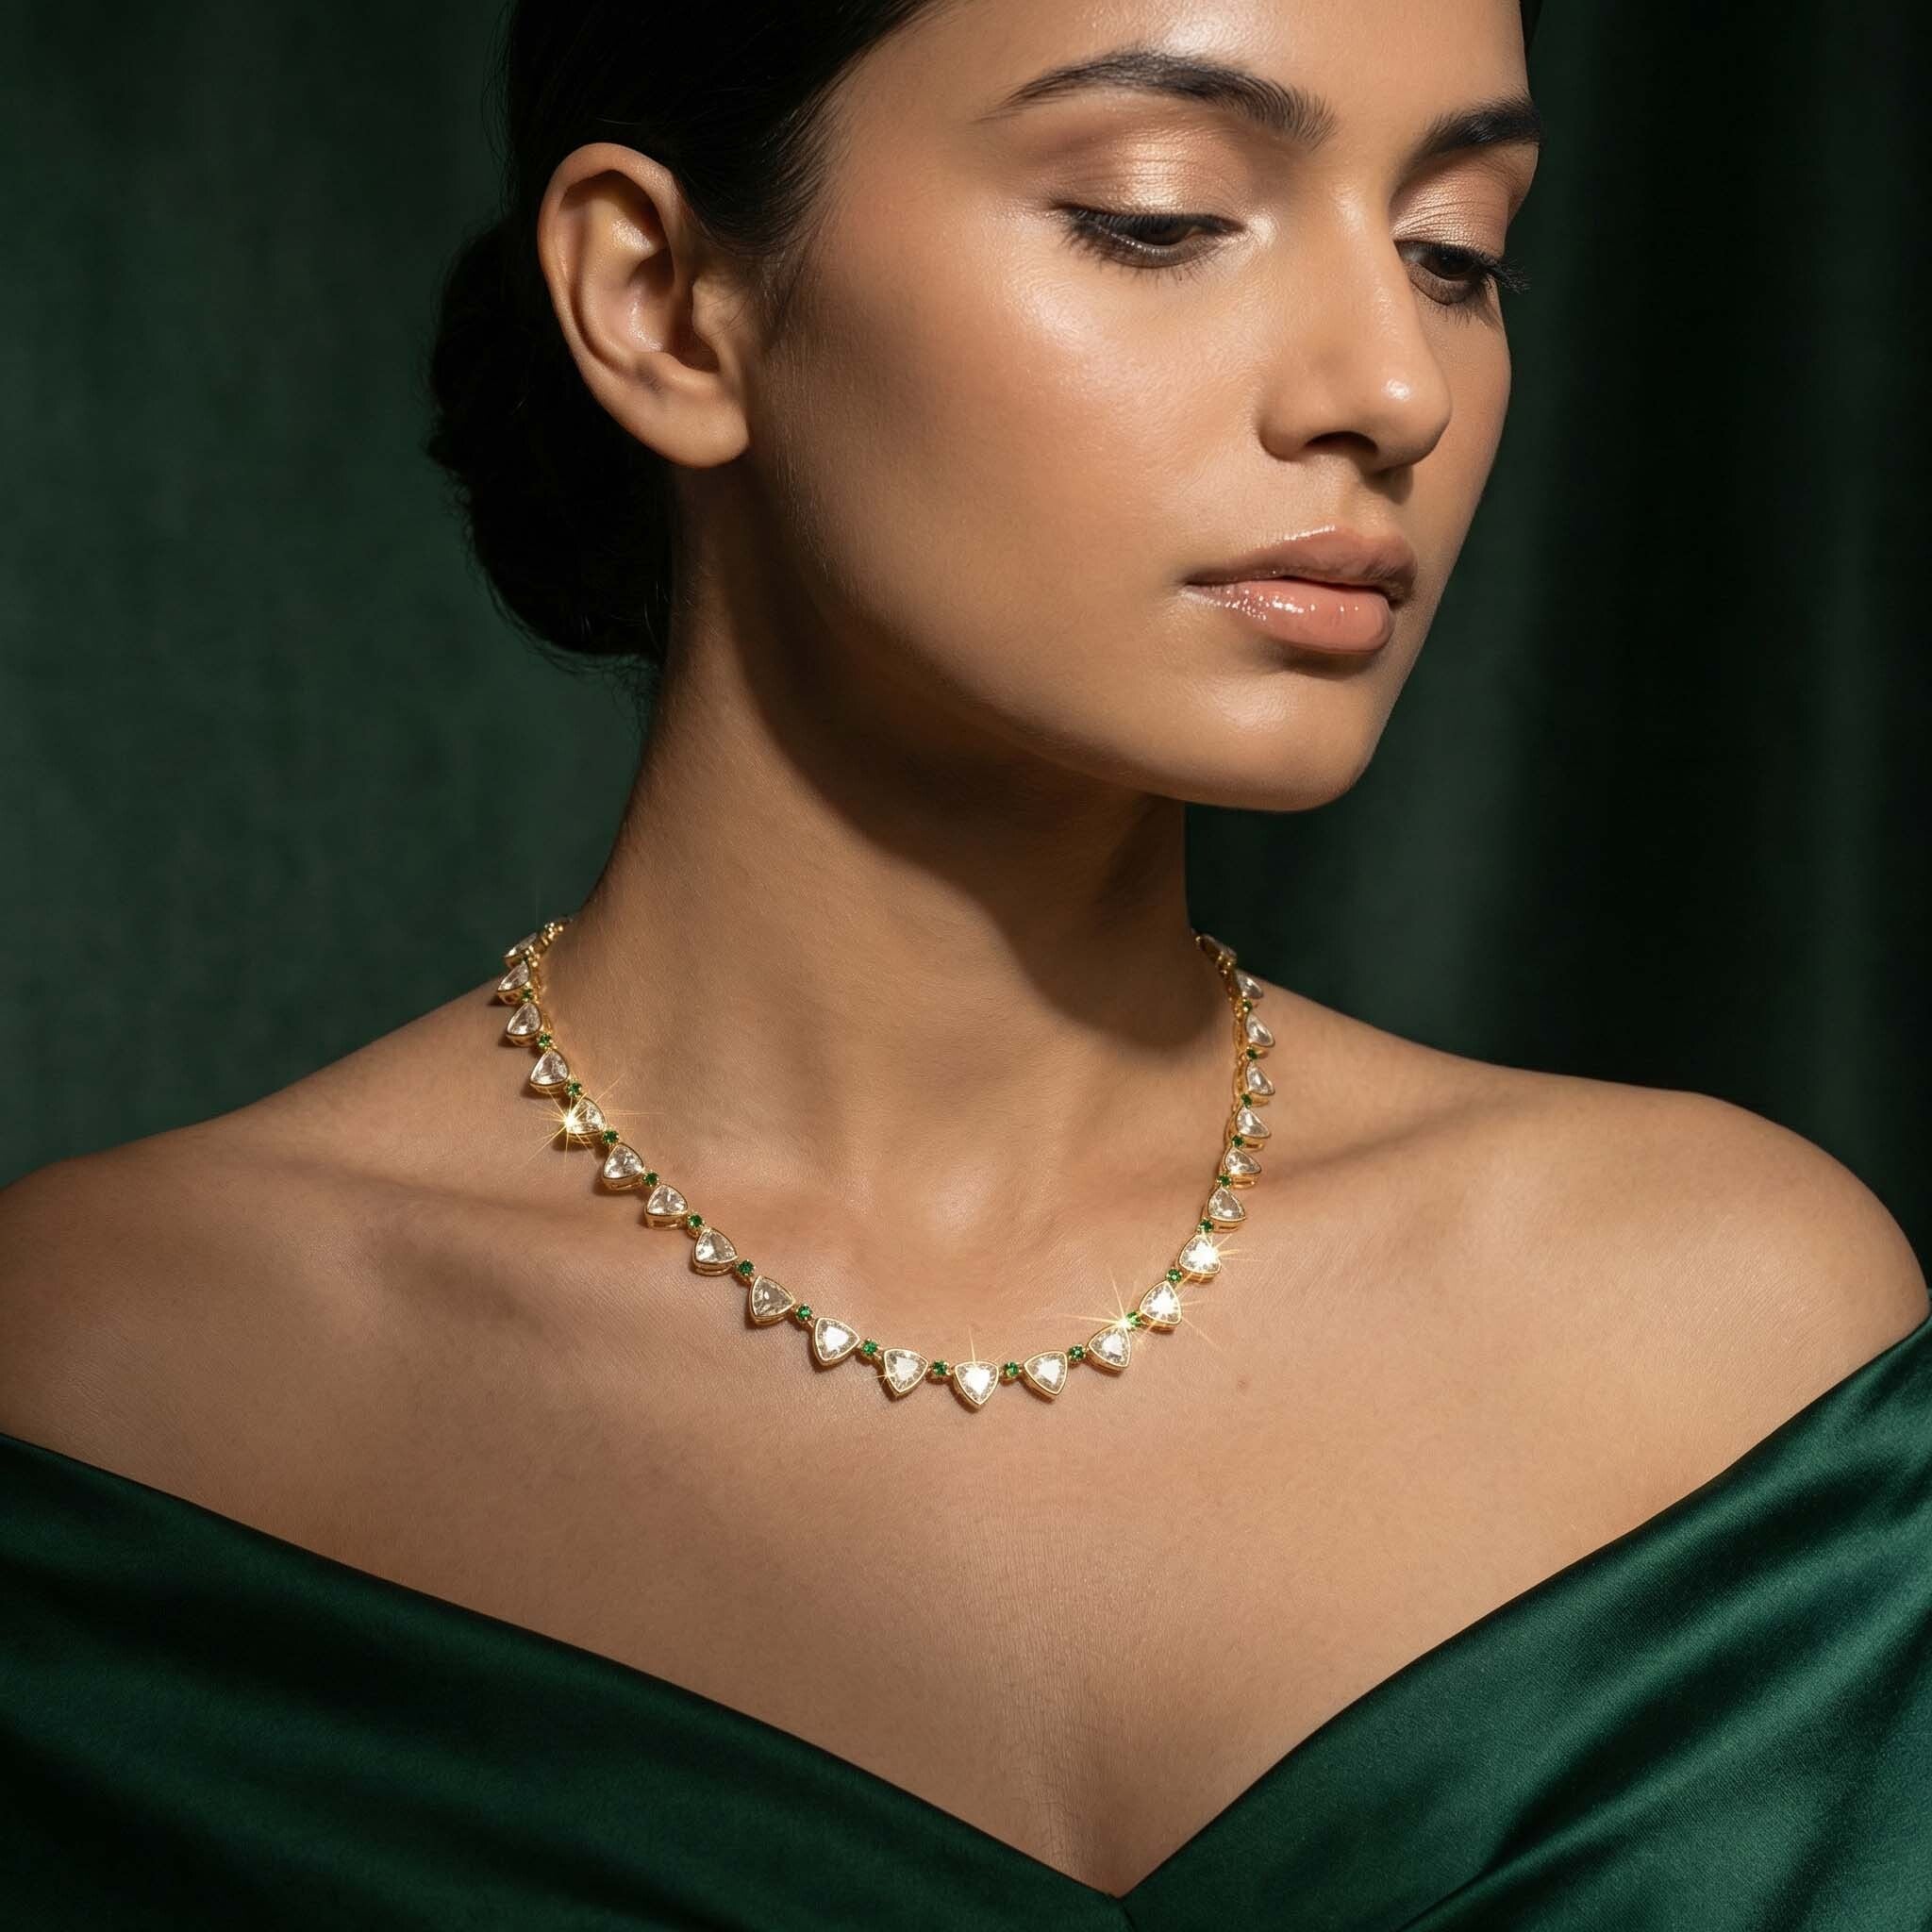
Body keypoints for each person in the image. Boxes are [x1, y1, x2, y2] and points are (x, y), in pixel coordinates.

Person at [2, 0, 1926, 1924]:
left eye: (1456, 255)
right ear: (664, 300)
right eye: (1160, 216)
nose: (1390, 385)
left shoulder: (1733, 1361)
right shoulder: (109, 1407)